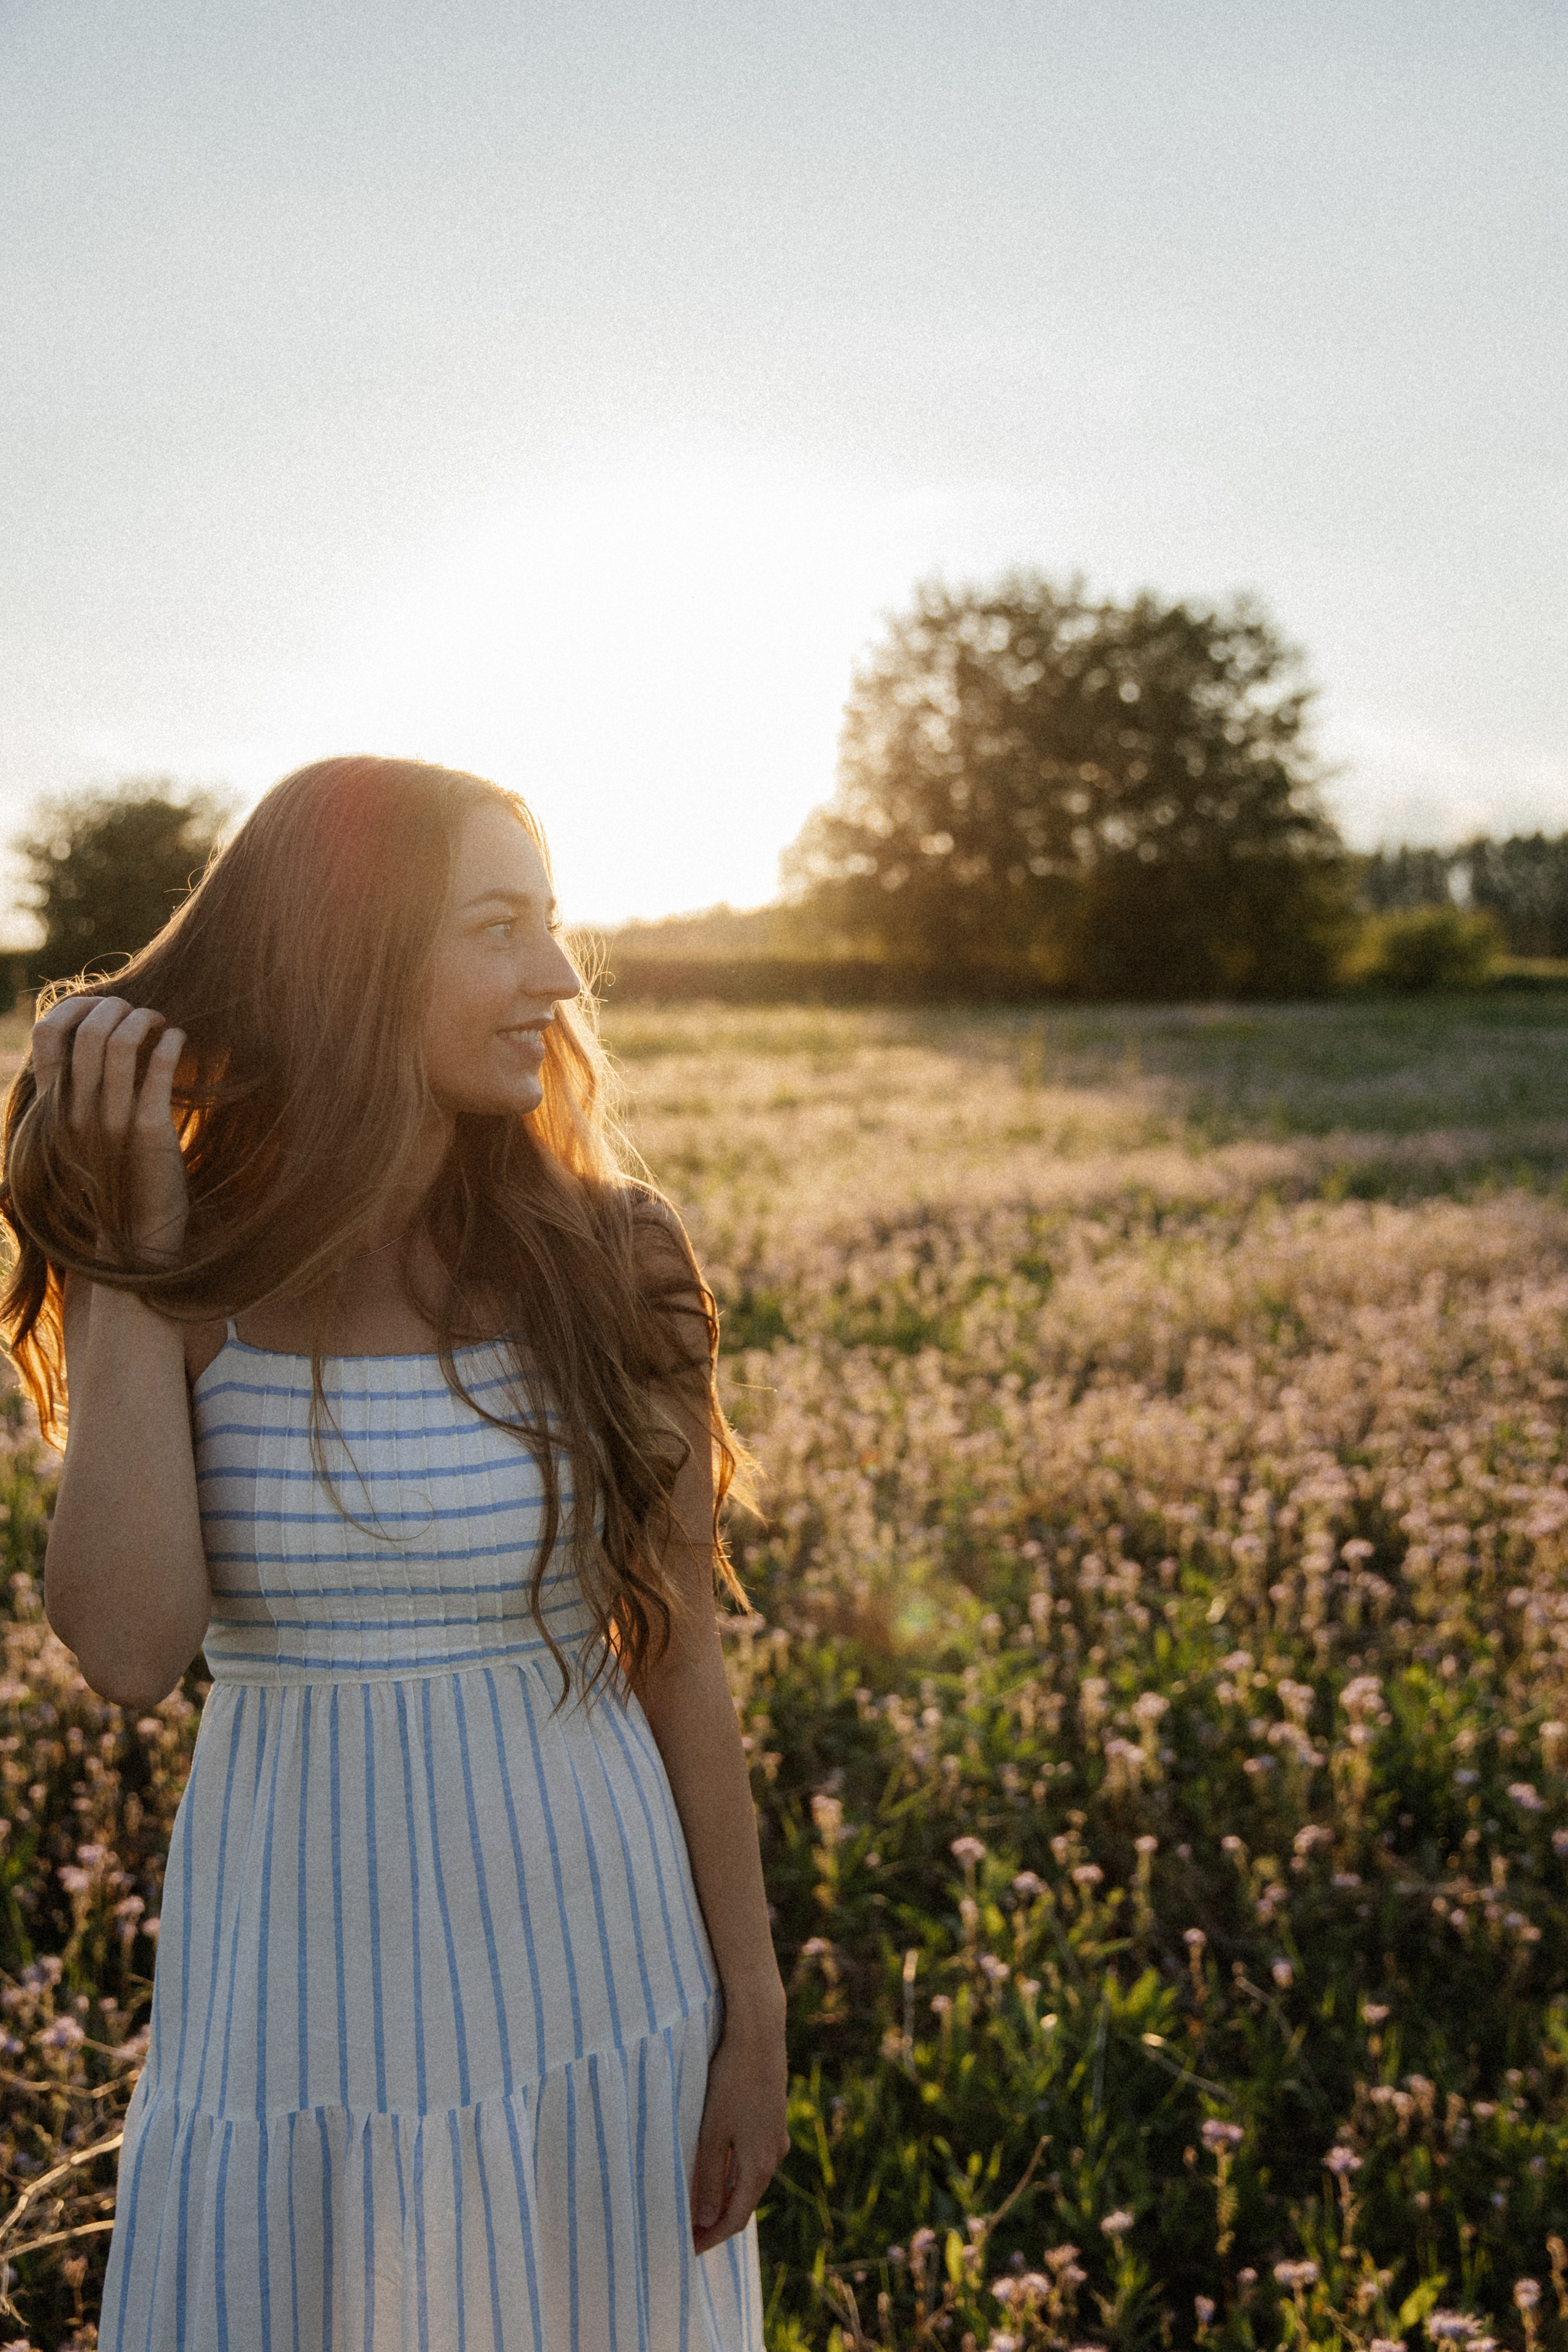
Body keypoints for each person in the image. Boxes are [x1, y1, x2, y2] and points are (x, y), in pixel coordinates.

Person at [0, 755, 788, 2351]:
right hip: (296, 2015)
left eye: (552, 922)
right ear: (352, 963)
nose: (558, 977)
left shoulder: (617, 1257)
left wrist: (753, 2016)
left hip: (601, 1986)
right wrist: (132, 1255)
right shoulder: (194, 1270)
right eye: (500, 928)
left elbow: (681, 1654)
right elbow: (134, 1651)